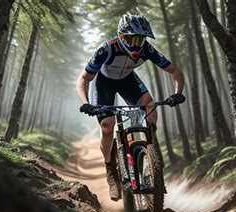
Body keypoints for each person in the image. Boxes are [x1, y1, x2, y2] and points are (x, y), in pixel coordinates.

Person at [76, 12, 186, 201]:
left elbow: (174, 70)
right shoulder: (107, 49)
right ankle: (110, 168)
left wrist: (178, 92)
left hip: (128, 81)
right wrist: (86, 103)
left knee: (150, 109)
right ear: (121, 36)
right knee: (107, 126)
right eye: (131, 38)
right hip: (104, 84)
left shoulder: (147, 50)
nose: (136, 44)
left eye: (140, 39)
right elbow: (84, 78)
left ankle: (153, 158)